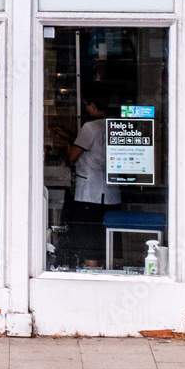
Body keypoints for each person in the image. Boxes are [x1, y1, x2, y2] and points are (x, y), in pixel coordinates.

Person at [52, 91, 120, 268]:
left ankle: (91, 273)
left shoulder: (90, 127)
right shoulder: (114, 125)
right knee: (104, 237)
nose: (87, 109)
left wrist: (67, 144)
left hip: (90, 194)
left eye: (88, 105)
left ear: (94, 106)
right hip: (111, 193)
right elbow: (94, 148)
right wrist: (69, 136)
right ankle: (105, 271)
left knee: (89, 238)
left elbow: (72, 156)